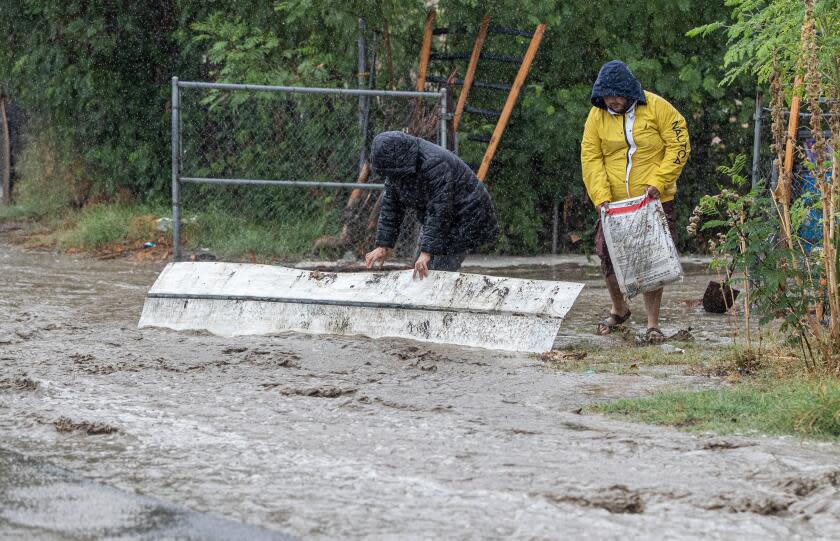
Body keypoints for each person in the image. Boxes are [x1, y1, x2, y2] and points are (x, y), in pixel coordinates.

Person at [580, 60, 690, 344]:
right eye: (606, 95)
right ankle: (620, 309)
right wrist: (601, 196)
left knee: (653, 260)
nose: (612, 101)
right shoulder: (596, 116)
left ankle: (652, 324)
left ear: (630, 91)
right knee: (606, 255)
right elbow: (591, 157)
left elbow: (680, 143)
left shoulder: (657, 107)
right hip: (613, 204)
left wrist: (659, 181)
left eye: (616, 95)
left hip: (652, 200)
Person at [364, 131, 499, 279]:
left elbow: (440, 209)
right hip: (441, 215)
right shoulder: (396, 170)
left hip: (467, 216)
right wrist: (383, 245)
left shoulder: (433, 163)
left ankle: (441, 298)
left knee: (435, 273)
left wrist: (426, 252)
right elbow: (391, 205)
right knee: (419, 271)